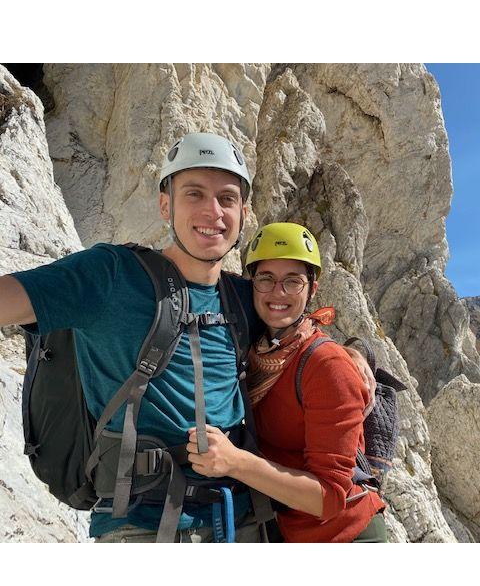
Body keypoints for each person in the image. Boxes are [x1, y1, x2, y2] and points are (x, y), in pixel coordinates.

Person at [0, 132, 375, 543]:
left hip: (242, 521)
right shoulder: (109, 275)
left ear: (243, 213)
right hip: (139, 523)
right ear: (166, 205)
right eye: (194, 193)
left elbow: (295, 322)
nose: (212, 211)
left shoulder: (241, 299)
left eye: (227, 198)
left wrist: (350, 354)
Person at [185, 222, 387, 542]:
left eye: (293, 281)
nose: (278, 292)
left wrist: (235, 463)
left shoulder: (326, 365)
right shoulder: (256, 347)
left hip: (344, 535)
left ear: (312, 289)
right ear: (251, 283)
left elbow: (330, 497)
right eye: (266, 278)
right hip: (288, 530)